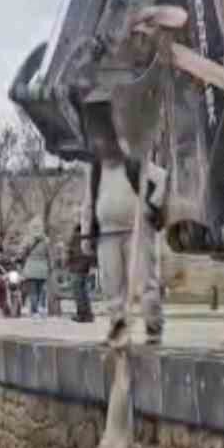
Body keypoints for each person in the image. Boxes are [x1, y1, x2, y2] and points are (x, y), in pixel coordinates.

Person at [88, 136, 166, 344]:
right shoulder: (96, 170)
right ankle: (118, 327)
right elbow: (88, 200)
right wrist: (86, 234)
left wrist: (152, 206)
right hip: (107, 233)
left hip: (137, 230)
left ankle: (153, 326)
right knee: (112, 284)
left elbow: (163, 180)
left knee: (145, 280)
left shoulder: (135, 163)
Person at [21, 232, 53, 319]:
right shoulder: (46, 245)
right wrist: (50, 268)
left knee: (33, 292)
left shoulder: (28, 244)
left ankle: (34, 311)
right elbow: (49, 257)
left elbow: (22, 255)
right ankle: (40, 308)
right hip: (42, 269)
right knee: (40, 291)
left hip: (30, 268)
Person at [67, 224, 95, 323]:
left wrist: (68, 264)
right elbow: (92, 253)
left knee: (78, 291)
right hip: (85, 267)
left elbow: (69, 252)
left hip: (76, 267)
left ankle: (81, 314)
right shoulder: (89, 238)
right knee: (84, 291)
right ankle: (88, 314)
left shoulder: (74, 238)